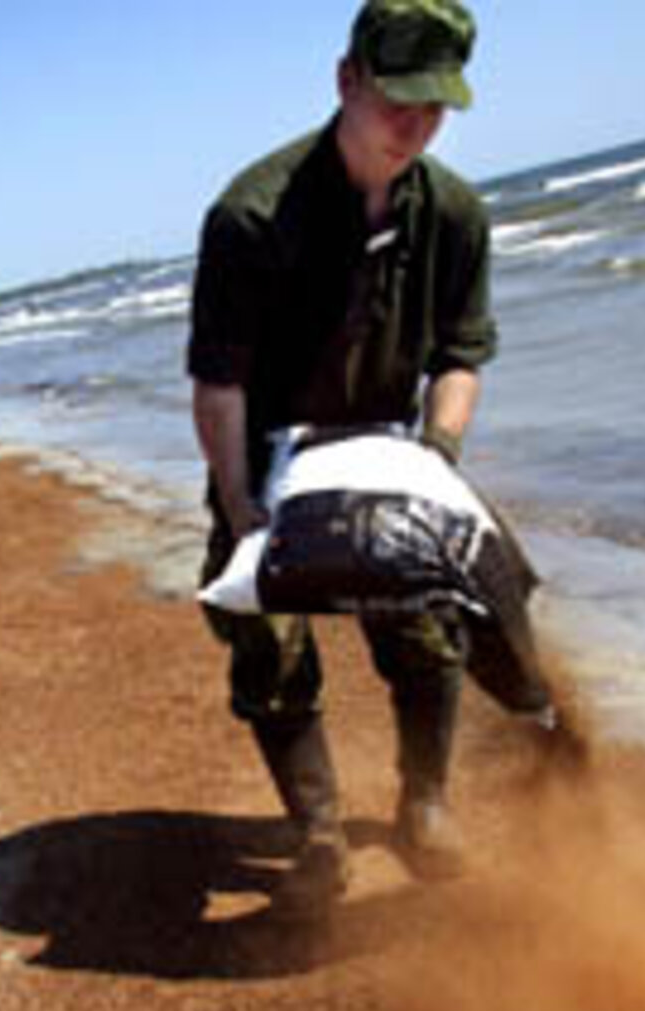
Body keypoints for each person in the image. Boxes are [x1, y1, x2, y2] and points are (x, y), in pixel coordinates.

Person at [188, 0, 496, 912]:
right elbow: (219, 386)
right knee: (267, 649)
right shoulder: (251, 216)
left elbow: (460, 356)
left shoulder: (453, 212)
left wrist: (437, 462)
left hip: (387, 452)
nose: (416, 123)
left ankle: (425, 808)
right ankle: (319, 836)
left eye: (437, 105)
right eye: (399, 98)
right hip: (272, 460)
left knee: (431, 630)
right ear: (347, 80)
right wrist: (241, 506)